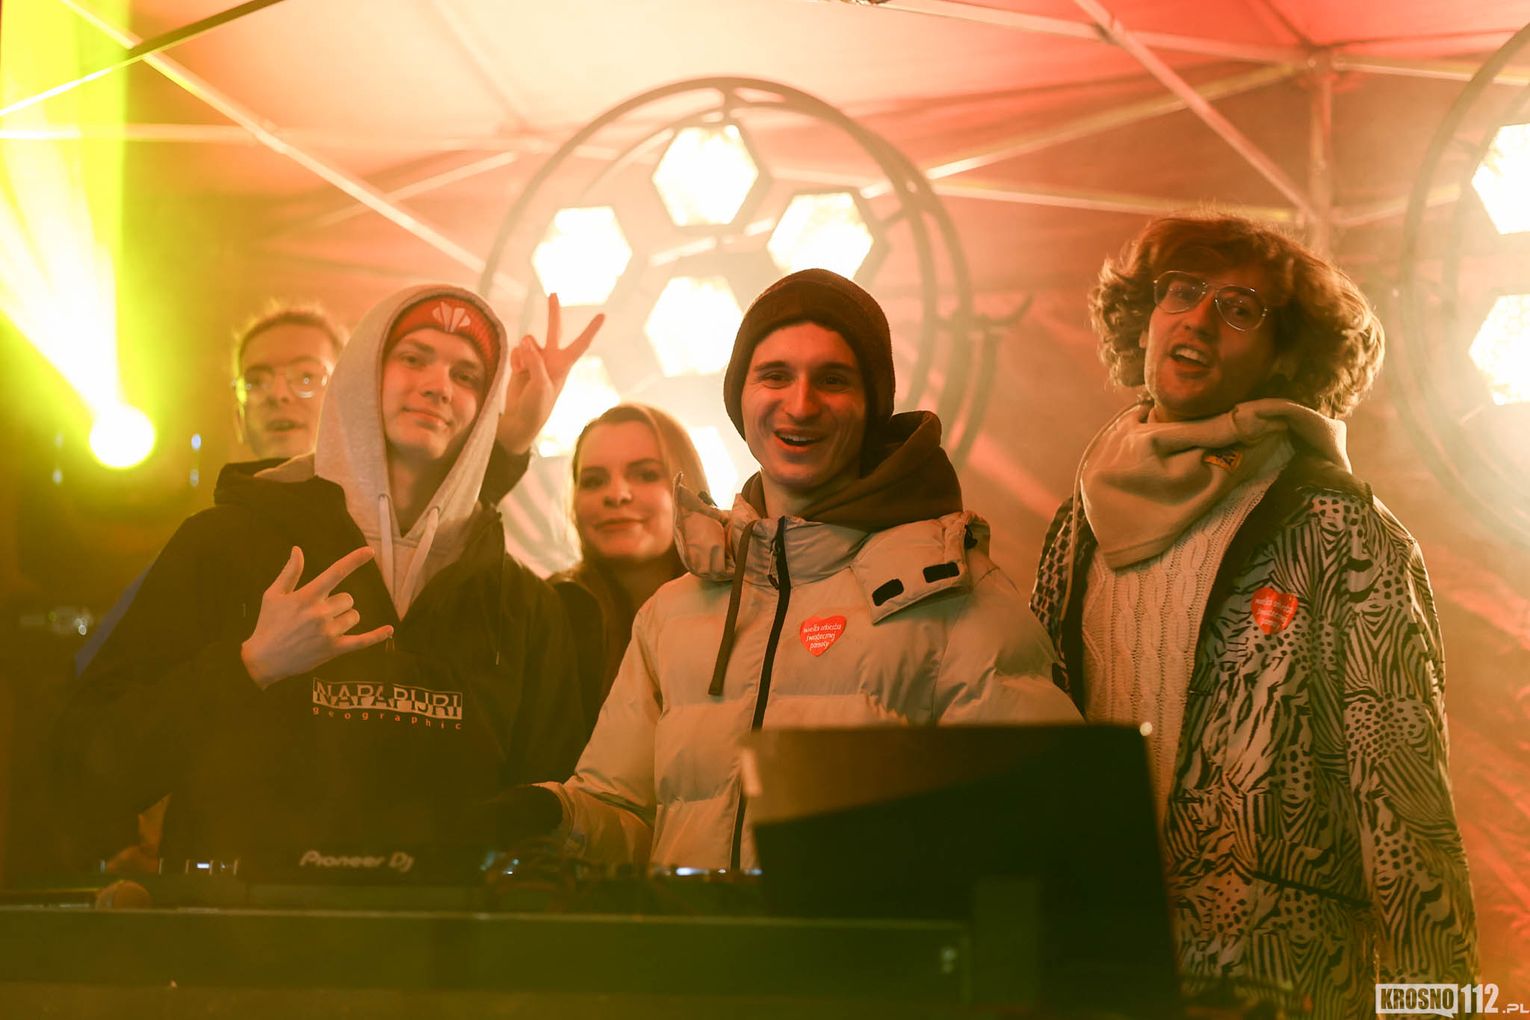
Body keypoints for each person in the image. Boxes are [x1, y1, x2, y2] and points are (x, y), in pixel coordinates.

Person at [1029, 214, 1478, 1017]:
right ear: (1144, 321)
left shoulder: (1341, 529)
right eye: (1182, 291)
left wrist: (1436, 1009)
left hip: (1278, 989)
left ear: (1286, 357)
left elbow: (1409, 824)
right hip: (1097, 974)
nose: (1199, 319)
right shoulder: (1076, 527)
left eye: (1240, 308)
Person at [499, 268, 1080, 870]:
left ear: (871, 407)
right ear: (739, 398)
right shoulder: (671, 614)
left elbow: (1045, 825)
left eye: (833, 379)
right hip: (694, 936)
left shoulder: (956, 595)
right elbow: (626, 814)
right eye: (775, 375)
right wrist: (554, 817)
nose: (800, 406)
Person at [55, 285, 587, 867]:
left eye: (466, 376)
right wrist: (249, 666)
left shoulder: (520, 602)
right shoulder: (222, 545)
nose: (438, 385)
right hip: (239, 923)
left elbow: (552, 818)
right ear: (360, 377)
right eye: (413, 358)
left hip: (447, 926)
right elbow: (83, 764)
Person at [551, 404, 710, 727]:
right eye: (594, 481)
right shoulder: (547, 612)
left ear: (688, 489)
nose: (617, 494)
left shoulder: (741, 609)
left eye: (646, 475)